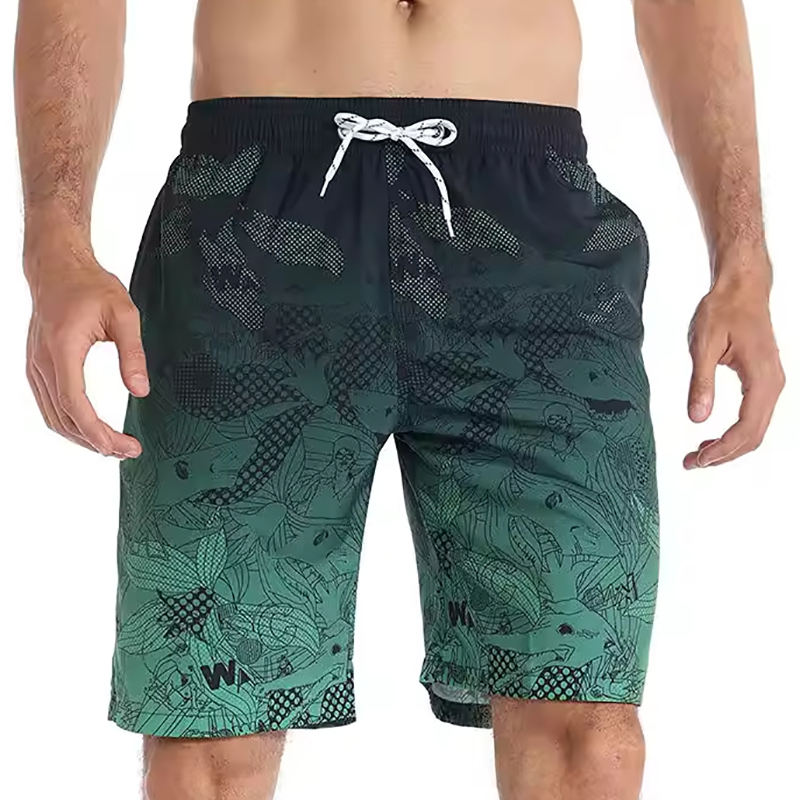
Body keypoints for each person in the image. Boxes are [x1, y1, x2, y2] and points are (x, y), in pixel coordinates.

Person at [14, 2, 785, 799]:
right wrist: (55, 245)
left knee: (589, 728)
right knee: (211, 724)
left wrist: (743, 260)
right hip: (251, 220)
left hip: (533, 235)